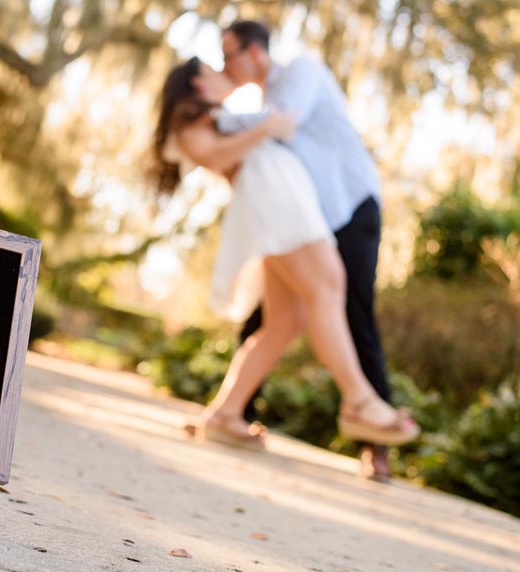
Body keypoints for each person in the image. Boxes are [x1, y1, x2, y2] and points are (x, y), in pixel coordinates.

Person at [152, 57, 419, 448]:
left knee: (287, 319)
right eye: (215, 70)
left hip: (283, 199)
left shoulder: (224, 116)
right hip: (275, 202)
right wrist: (266, 129)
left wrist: (263, 126)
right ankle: (359, 401)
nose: (225, 75)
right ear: (199, 84)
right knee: (327, 288)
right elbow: (211, 156)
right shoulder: (191, 121)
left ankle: (226, 413)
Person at [208, 20, 397, 478]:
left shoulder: (300, 73)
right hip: (306, 222)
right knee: (267, 315)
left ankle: (377, 443)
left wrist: (207, 116)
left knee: (354, 310)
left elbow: (282, 124)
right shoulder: (263, 102)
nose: (224, 65)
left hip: (349, 208)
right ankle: (230, 414)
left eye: (228, 55)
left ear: (255, 53)